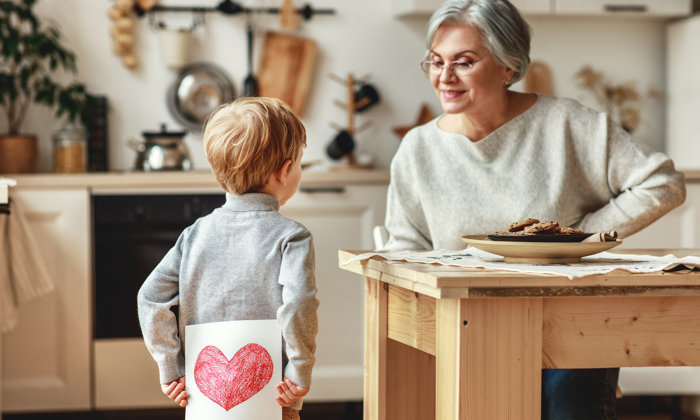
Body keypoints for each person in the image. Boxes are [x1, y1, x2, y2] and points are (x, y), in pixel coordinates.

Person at [384, 0, 686, 418]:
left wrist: (581, 239)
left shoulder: (568, 124)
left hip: (569, 320)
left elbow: (663, 184)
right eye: (435, 62)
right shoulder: (417, 149)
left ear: (508, 65)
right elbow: (405, 247)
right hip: (468, 327)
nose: (444, 77)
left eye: (463, 62)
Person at [137, 97, 319, 420]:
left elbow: (150, 297)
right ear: (285, 170)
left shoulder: (194, 235)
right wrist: (299, 370)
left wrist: (171, 366)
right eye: (300, 163)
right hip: (275, 401)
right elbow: (299, 305)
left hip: (205, 400)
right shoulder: (292, 237)